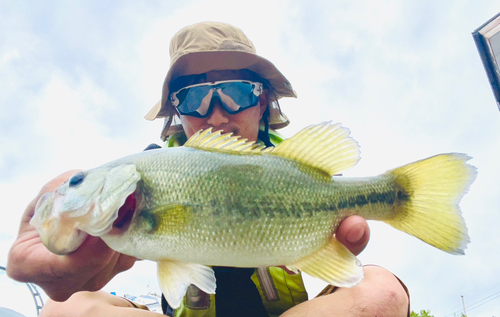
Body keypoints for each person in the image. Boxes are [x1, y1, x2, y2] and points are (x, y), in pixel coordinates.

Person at [7, 22, 409, 316]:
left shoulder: (298, 172)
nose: (216, 116)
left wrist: (324, 243)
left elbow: (342, 253)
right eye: (195, 100)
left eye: (235, 93)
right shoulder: (153, 170)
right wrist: (65, 204)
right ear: (176, 113)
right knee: (63, 311)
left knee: (383, 290)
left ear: (264, 100)